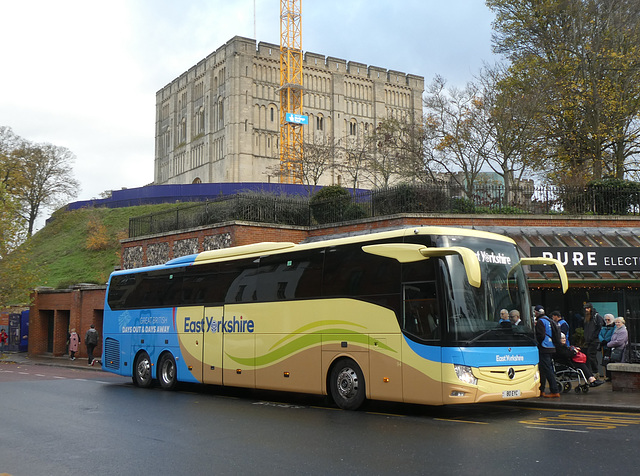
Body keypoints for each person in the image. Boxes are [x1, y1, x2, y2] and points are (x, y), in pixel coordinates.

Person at [534, 305, 561, 398]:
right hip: (551, 347)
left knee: (547, 370)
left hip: (544, 347)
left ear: (537, 313)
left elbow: (540, 335)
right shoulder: (549, 320)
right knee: (544, 369)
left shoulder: (540, 321)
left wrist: (537, 342)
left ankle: (554, 391)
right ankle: (541, 390)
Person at [583, 303, 604, 375]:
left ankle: (595, 372)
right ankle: (593, 372)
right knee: (590, 356)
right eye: (585, 308)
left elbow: (600, 327)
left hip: (594, 340)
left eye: (588, 308)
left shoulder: (596, 317)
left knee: (591, 355)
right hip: (589, 340)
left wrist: (594, 336)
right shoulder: (587, 317)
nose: (586, 310)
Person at [598, 314, 615, 380]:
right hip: (604, 346)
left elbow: (612, 335)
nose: (607, 321)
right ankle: (607, 376)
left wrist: (606, 340)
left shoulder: (614, 326)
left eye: (609, 320)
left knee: (610, 360)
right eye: (606, 320)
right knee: (605, 361)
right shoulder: (603, 326)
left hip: (610, 345)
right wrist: (602, 340)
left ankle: (610, 376)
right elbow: (600, 334)